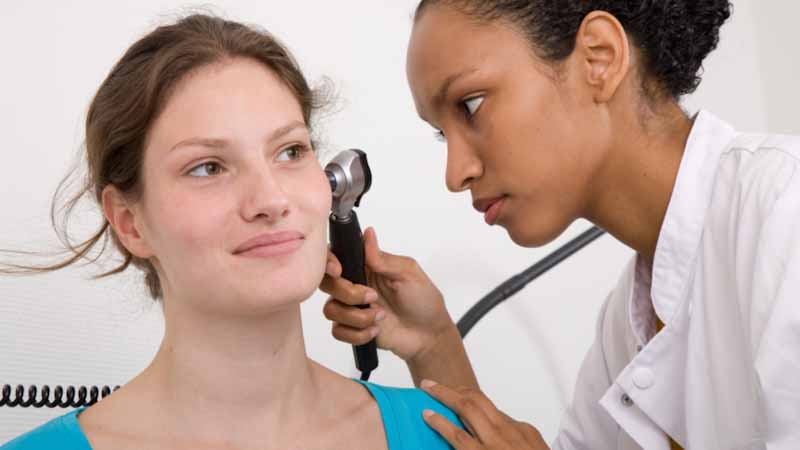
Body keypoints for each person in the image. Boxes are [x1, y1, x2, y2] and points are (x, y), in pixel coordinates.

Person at [320, 1, 800, 449]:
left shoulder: (784, 213)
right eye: (443, 133)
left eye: (471, 105)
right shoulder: (626, 326)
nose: (455, 173)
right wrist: (433, 343)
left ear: (599, 58)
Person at [1, 13, 462, 450]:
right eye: (208, 167)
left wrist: (434, 343)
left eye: (290, 151)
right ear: (129, 222)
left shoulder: (448, 434)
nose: (271, 200)